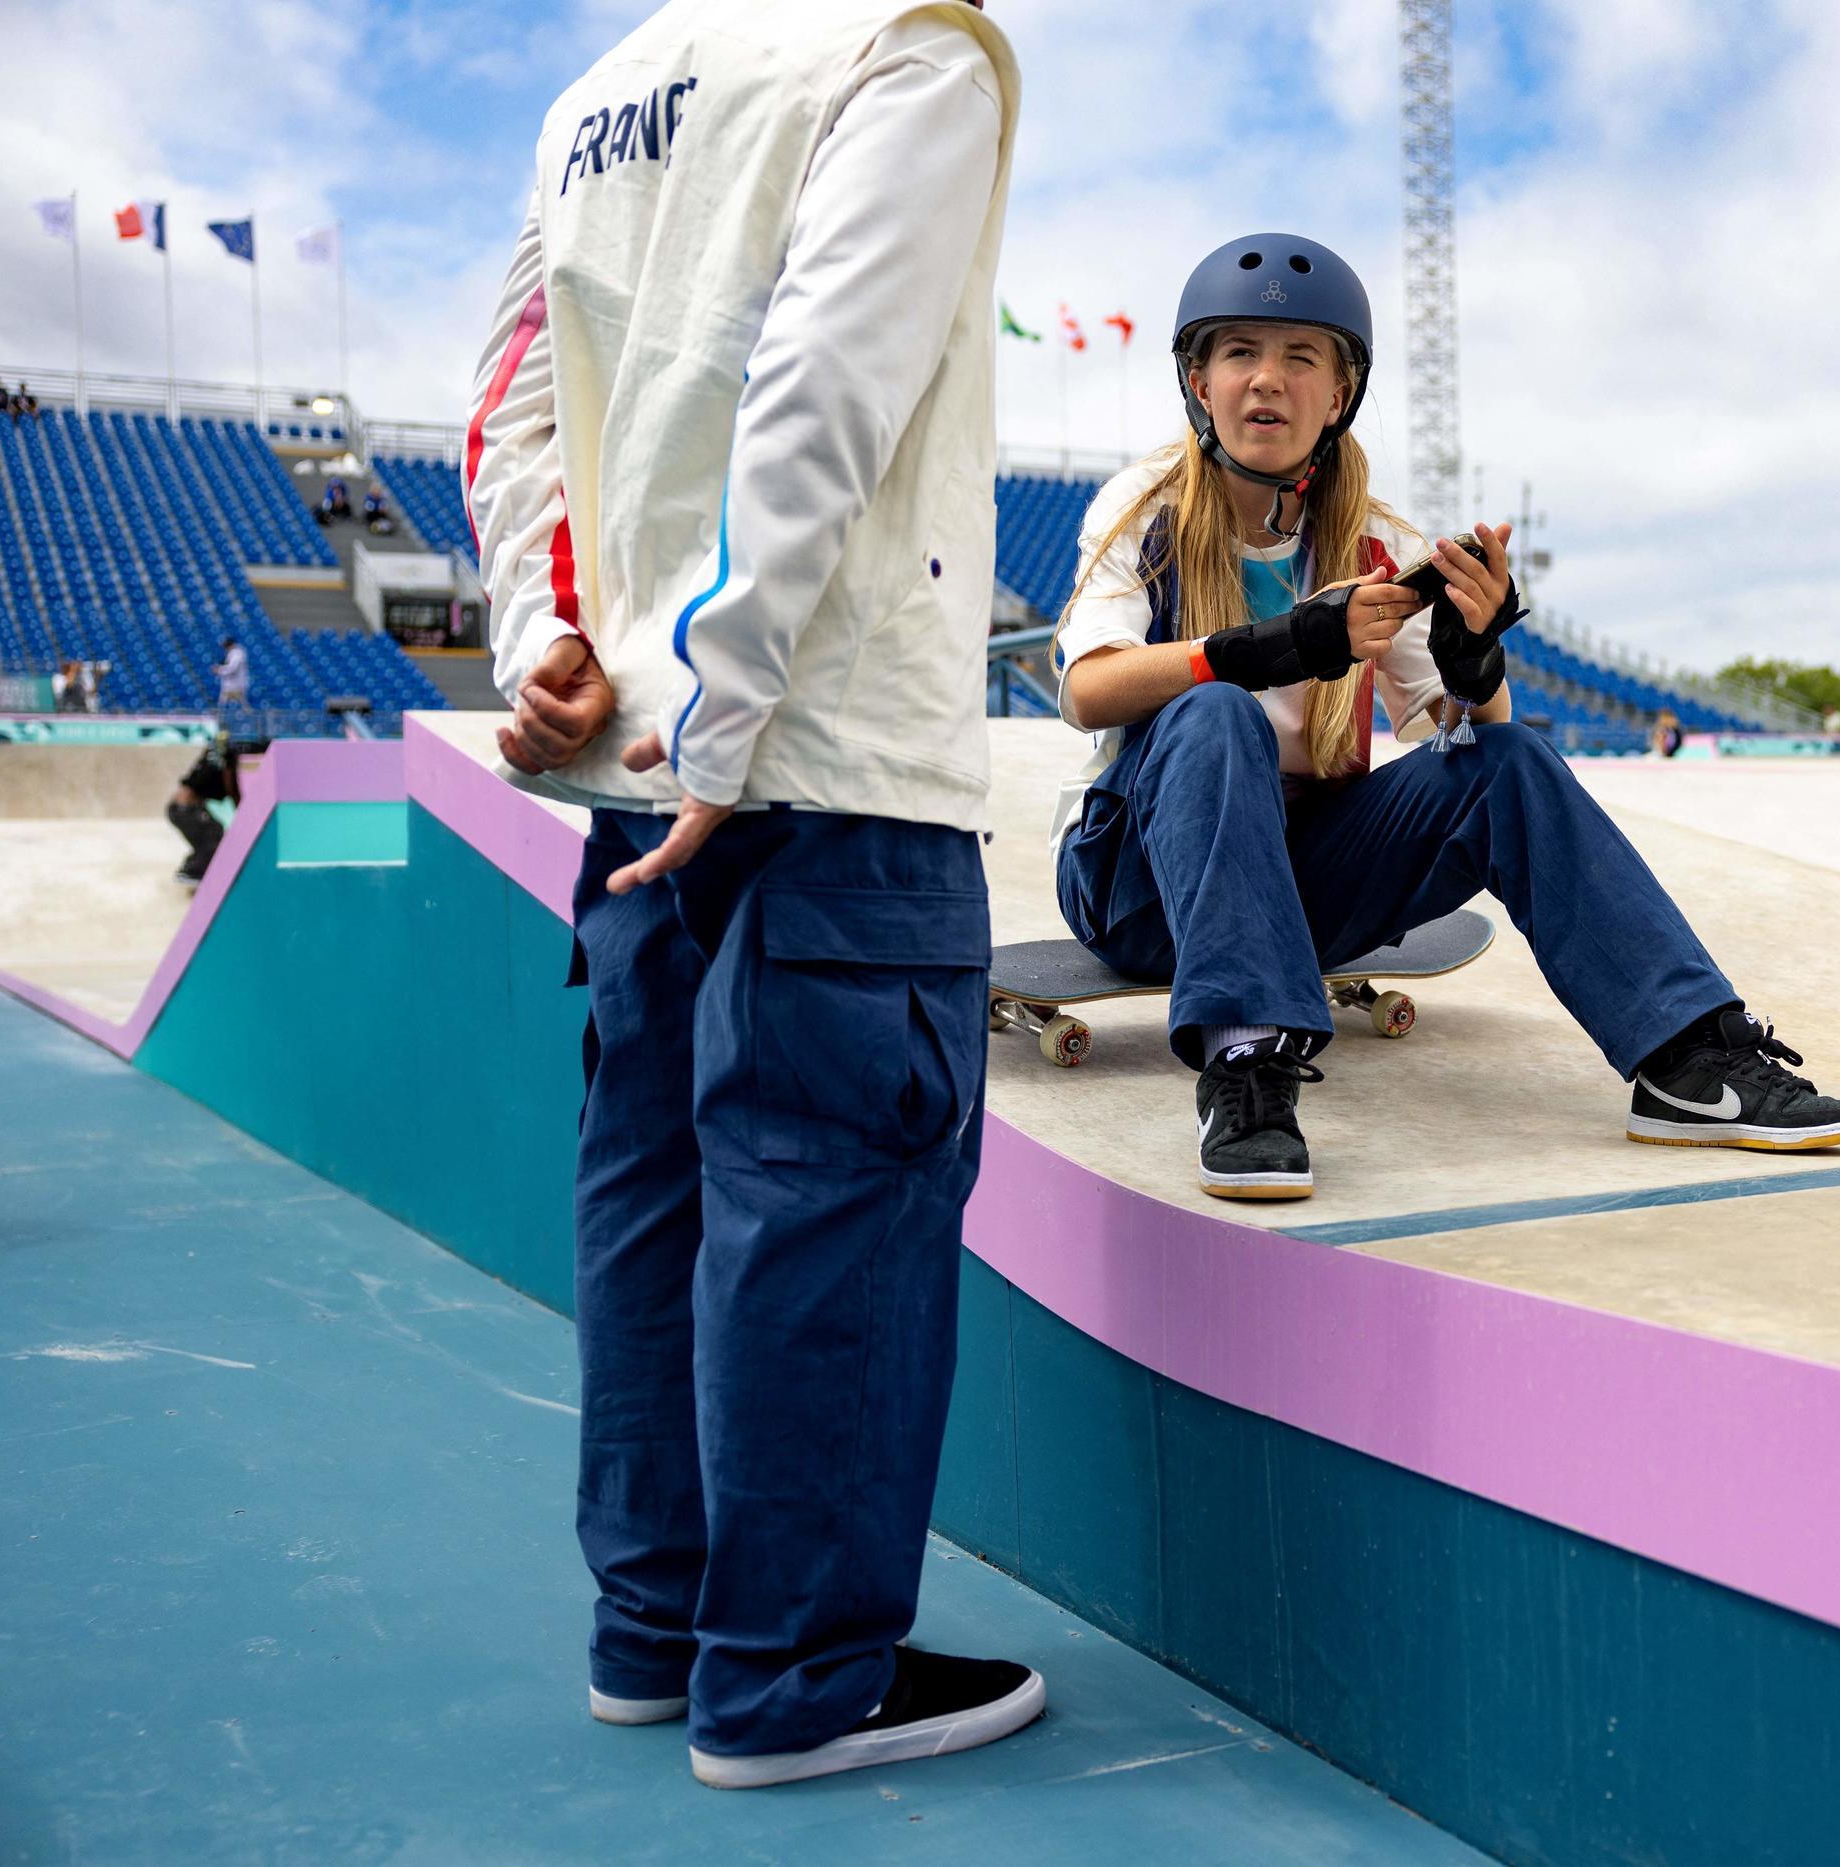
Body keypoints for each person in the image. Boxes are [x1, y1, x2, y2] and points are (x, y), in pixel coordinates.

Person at [465, 0, 1037, 1791]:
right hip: (819, 738)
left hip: (629, 750)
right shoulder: (907, 48)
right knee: (824, 1197)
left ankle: (655, 1629)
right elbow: (828, 372)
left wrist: (548, 637)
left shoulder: (593, 99)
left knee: (656, 1193)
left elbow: (514, 420)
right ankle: (792, 1673)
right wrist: (736, 681)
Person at [1052, 233, 1840, 1203]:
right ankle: (1245, 1067)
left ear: (1340, 390)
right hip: (1139, 882)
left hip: (1297, 882)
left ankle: (1687, 1060)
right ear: (1199, 379)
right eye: (1239, 351)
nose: (1266, 380)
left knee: (1511, 758)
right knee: (1215, 713)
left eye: (1299, 356)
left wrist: (1474, 657)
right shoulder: (1142, 504)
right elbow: (1086, 688)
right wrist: (1267, 646)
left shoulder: (1375, 540)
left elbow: (1460, 735)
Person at [168, 732, 242, 885]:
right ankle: (193, 872)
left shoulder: (211, 755)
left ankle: (191, 867)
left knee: (211, 834)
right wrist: (242, 811)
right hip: (185, 809)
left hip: (179, 808)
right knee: (213, 836)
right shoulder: (224, 759)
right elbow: (231, 788)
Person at [212, 635, 248, 711]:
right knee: (223, 707)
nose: (225, 648)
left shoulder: (237, 654)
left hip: (236, 686)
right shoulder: (232, 653)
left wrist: (219, 670)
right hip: (230, 686)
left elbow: (232, 669)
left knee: (241, 707)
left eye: (226, 646)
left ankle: (252, 721)